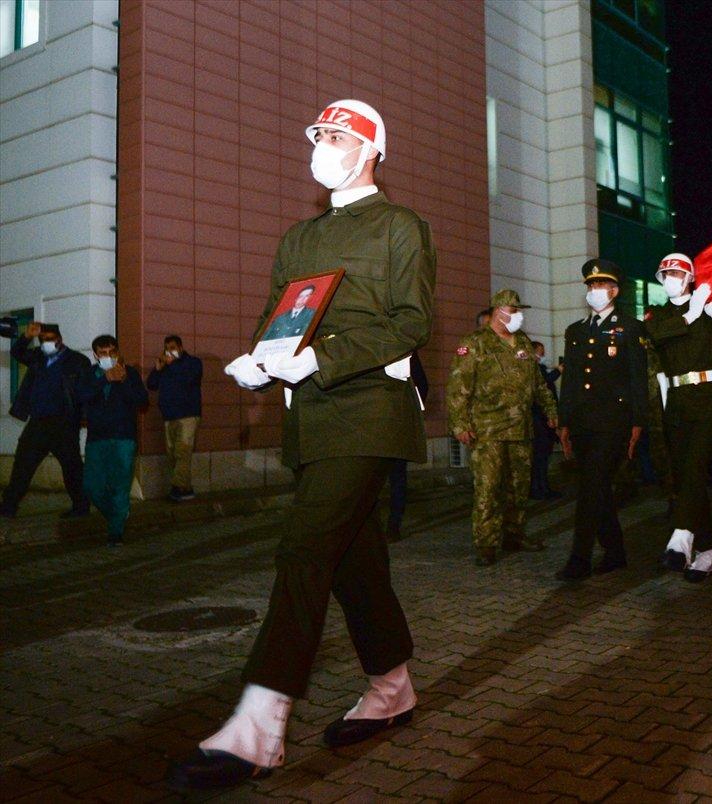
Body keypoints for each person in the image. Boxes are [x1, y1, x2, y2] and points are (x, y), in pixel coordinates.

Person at [170, 99, 436, 789]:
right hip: (312, 419)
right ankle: (392, 687)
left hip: (370, 410)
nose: (322, 144)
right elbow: (277, 318)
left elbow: (410, 324)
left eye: (338, 135)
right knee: (353, 561)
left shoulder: (402, 228)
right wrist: (257, 360)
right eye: (318, 134)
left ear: (372, 149)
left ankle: (258, 727)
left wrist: (325, 358)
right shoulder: (298, 237)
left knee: (305, 550)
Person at [643, 252, 712, 582]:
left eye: (677, 272)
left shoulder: (708, 310)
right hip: (676, 401)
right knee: (687, 477)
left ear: (691, 278)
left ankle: (681, 540)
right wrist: (691, 314)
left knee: (695, 467)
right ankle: (707, 551)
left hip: (708, 400)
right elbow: (656, 337)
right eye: (666, 273)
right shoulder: (659, 316)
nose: (671, 278)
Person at [446, 289, 558, 566]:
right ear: (499, 311)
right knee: (488, 489)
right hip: (488, 430)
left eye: (519, 310)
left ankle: (514, 534)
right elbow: (458, 387)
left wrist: (551, 411)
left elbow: (538, 383)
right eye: (514, 309)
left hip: (521, 429)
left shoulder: (522, 342)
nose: (519, 315)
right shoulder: (475, 343)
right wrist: (460, 423)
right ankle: (486, 543)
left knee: (519, 487)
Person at [555, 259, 648, 581]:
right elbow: (570, 381)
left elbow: (638, 378)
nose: (595, 291)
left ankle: (579, 558)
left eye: (601, 286)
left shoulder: (630, 327)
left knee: (590, 486)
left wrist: (638, 422)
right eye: (591, 286)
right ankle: (616, 551)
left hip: (613, 421)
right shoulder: (576, 331)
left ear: (615, 290)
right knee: (598, 489)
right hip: (581, 422)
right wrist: (563, 421)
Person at [0, 322, 92, 519]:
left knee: (72, 467)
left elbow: (84, 392)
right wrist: (26, 337)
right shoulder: (37, 357)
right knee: (22, 465)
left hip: (64, 423)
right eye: (43, 340)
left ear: (60, 339)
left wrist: (84, 417)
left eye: (50, 339)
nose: (46, 343)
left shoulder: (77, 361)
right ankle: (8, 507)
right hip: (38, 422)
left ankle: (81, 507)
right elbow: (17, 352)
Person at [77, 335, 148, 546]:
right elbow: (81, 396)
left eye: (111, 352)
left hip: (123, 437)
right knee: (92, 486)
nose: (108, 357)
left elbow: (142, 401)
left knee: (119, 485)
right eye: (103, 353)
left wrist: (123, 380)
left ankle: (115, 533)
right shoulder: (89, 374)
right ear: (96, 355)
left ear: (117, 352)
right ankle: (117, 516)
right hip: (97, 438)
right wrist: (104, 379)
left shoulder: (130, 373)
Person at [145, 334, 203, 501]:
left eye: (172, 348)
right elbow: (151, 385)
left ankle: (178, 488)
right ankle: (186, 489)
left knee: (182, 451)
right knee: (172, 453)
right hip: (169, 416)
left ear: (180, 348)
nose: (169, 352)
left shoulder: (192, 363)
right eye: (167, 349)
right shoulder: (165, 366)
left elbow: (189, 379)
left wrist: (173, 365)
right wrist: (157, 368)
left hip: (188, 415)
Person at [387, 352, 428, 540]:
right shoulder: (405, 348)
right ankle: (393, 525)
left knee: (391, 477)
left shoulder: (405, 351)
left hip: (384, 426)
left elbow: (422, 384)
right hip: (397, 424)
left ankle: (392, 525)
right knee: (397, 477)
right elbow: (422, 385)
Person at [529, 340, 562, 500]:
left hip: (545, 419)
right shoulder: (533, 369)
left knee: (544, 455)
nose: (543, 355)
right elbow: (544, 384)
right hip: (538, 419)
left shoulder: (540, 368)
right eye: (540, 352)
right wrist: (557, 371)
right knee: (539, 456)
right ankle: (537, 488)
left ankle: (543, 487)